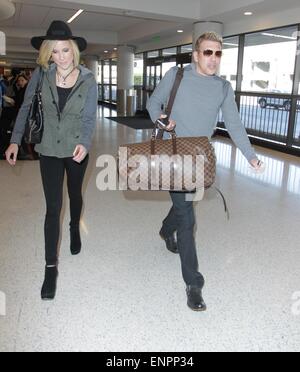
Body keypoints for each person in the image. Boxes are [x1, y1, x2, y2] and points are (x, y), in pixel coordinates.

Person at [147, 32, 264, 312]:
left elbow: (234, 125)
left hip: (200, 157)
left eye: (218, 53)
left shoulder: (223, 87)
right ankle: (193, 284)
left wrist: (251, 156)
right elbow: (153, 104)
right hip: (173, 154)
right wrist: (163, 121)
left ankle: (165, 230)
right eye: (208, 52)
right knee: (188, 218)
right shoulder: (176, 75)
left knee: (185, 206)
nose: (213, 58)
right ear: (196, 55)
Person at [5, 21, 98, 301]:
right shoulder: (41, 75)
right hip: (48, 150)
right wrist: (15, 139)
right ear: (48, 54)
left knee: (75, 195)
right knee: (52, 207)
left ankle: (74, 228)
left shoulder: (88, 78)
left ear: (74, 50)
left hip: (76, 150)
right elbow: (26, 107)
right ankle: (50, 268)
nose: (61, 56)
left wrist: (84, 142)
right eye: (55, 52)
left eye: (65, 50)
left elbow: (89, 117)